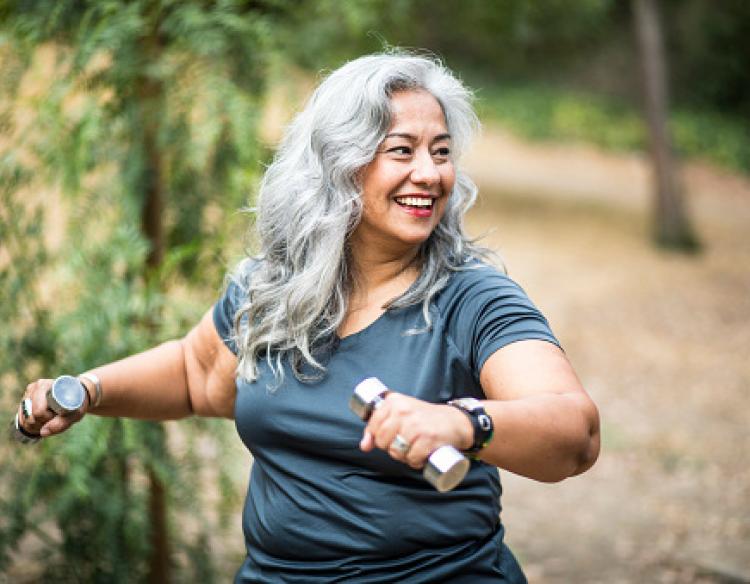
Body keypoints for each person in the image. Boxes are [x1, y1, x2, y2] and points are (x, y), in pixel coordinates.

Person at [15, 52, 600, 583]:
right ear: (340, 164)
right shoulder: (272, 286)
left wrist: (464, 424)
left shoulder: (474, 300)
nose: (430, 173)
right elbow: (198, 375)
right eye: (402, 150)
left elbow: (575, 433)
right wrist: (87, 390)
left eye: (441, 151)